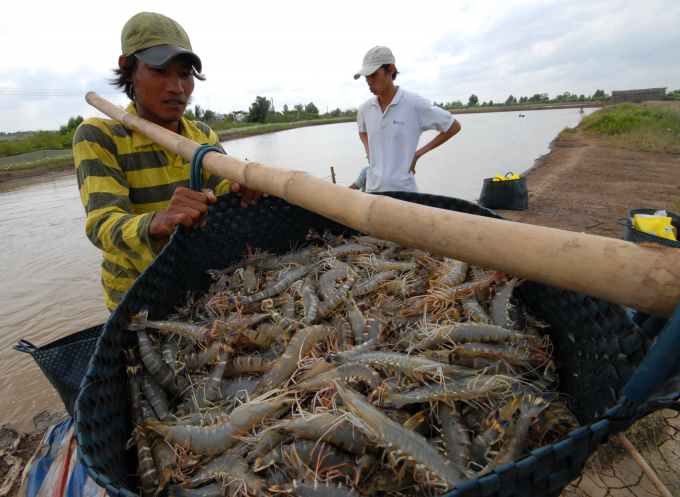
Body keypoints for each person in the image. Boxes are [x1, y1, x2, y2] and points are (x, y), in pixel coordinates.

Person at [73, 12, 265, 310]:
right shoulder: (99, 135)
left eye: (185, 74)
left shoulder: (201, 135)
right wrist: (160, 220)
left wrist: (245, 187)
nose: (177, 87)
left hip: (198, 283)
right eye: (160, 71)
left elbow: (226, 188)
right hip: (137, 295)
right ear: (128, 69)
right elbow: (102, 226)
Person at [354, 46, 462, 193]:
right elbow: (362, 131)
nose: (369, 82)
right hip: (372, 191)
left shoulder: (414, 104)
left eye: (373, 75)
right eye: (366, 77)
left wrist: (417, 154)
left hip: (405, 192)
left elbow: (453, 126)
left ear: (391, 70)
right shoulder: (365, 108)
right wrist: (369, 151)